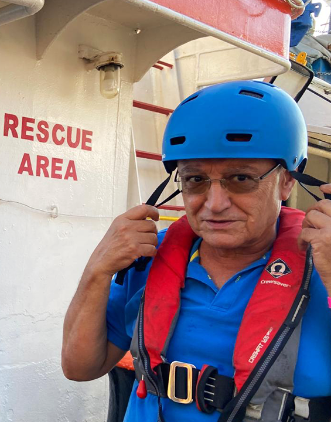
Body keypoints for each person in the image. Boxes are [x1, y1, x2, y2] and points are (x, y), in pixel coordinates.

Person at [62, 80, 331, 422]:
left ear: (288, 180)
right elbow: (79, 367)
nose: (214, 204)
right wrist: (97, 269)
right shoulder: (148, 257)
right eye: (195, 180)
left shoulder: (322, 266)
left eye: (241, 179)